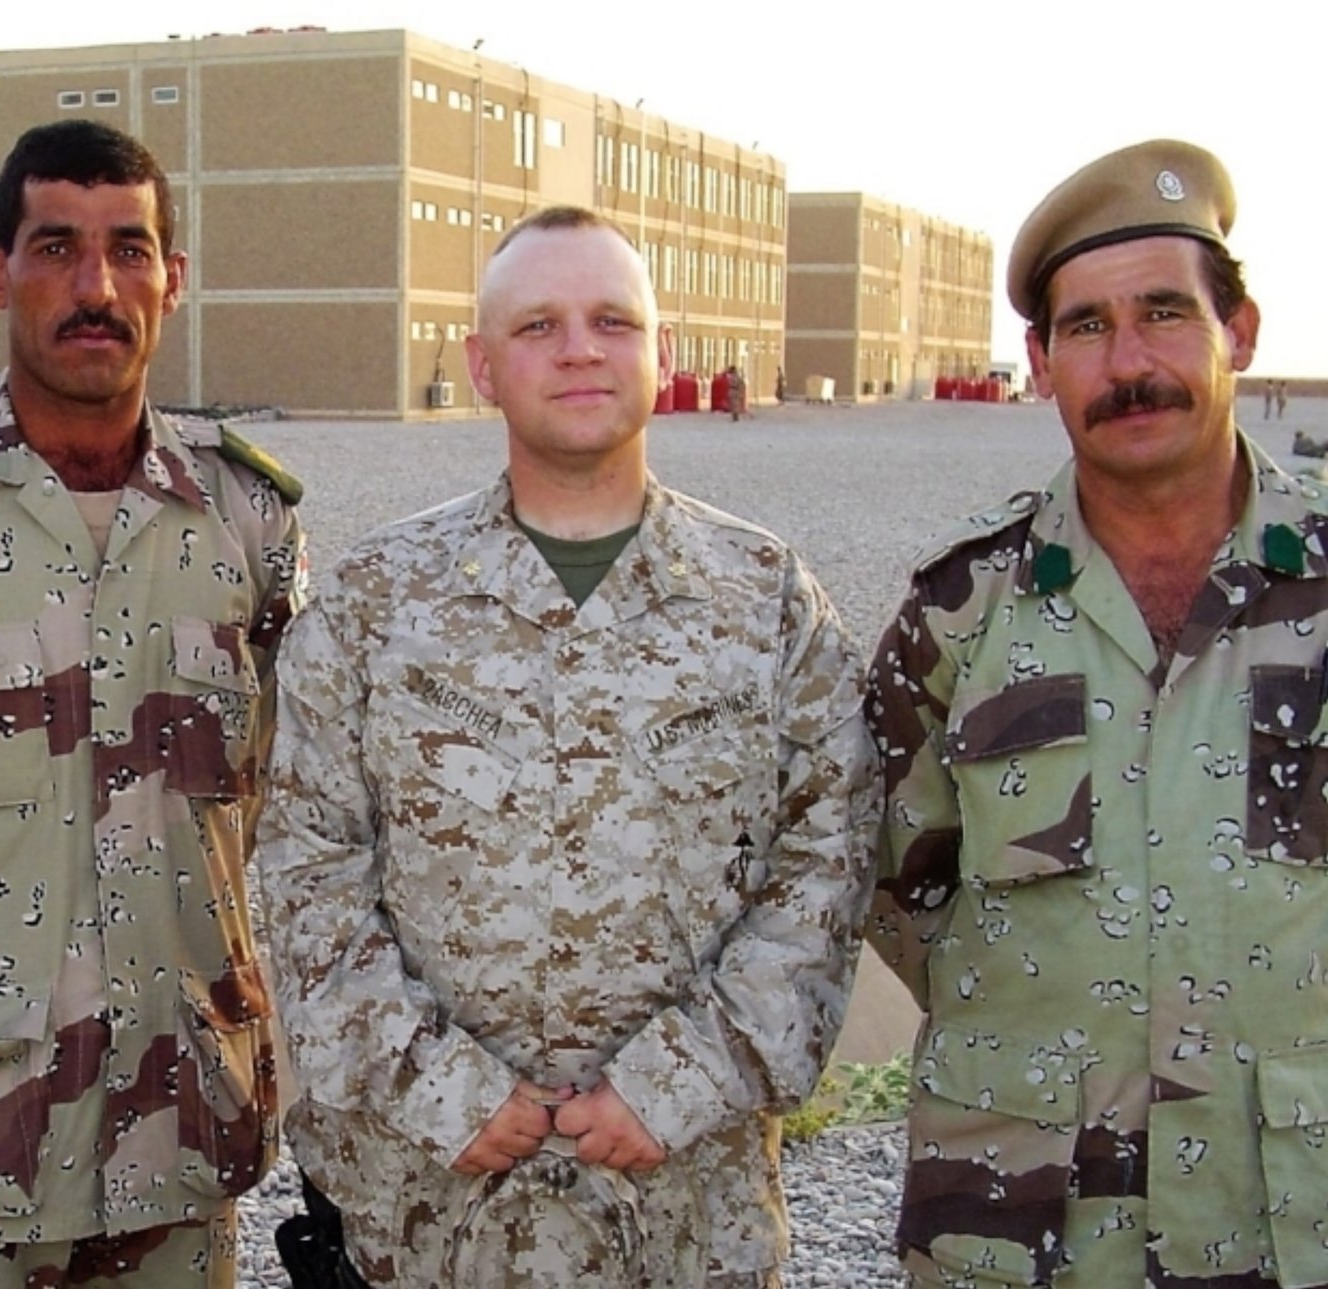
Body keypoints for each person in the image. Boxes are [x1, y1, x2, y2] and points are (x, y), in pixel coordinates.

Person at [260, 205, 877, 1288]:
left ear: (664, 357)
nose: (582, 347)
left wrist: (676, 1082)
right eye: (538, 324)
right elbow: (306, 869)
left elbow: (827, 866)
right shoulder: (375, 602)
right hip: (427, 1218)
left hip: (686, 1219)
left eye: (613, 320)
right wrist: (443, 1087)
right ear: (483, 366)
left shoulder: (765, 599)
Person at [0, 118, 305, 1286]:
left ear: (173, 279)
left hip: (176, 1160)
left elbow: (296, 834)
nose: (96, 287)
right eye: (55, 248)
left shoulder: (248, 523)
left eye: (130, 249)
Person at [867, 138, 1328, 1288]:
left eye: (1166, 312)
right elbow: (886, 881)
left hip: (1292, 1214)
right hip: (1040, 1230)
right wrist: (1050, 1011)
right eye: (1086, 327)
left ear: (1243, 331)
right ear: (1039, 360)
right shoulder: (960, 612)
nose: (1130, 362)